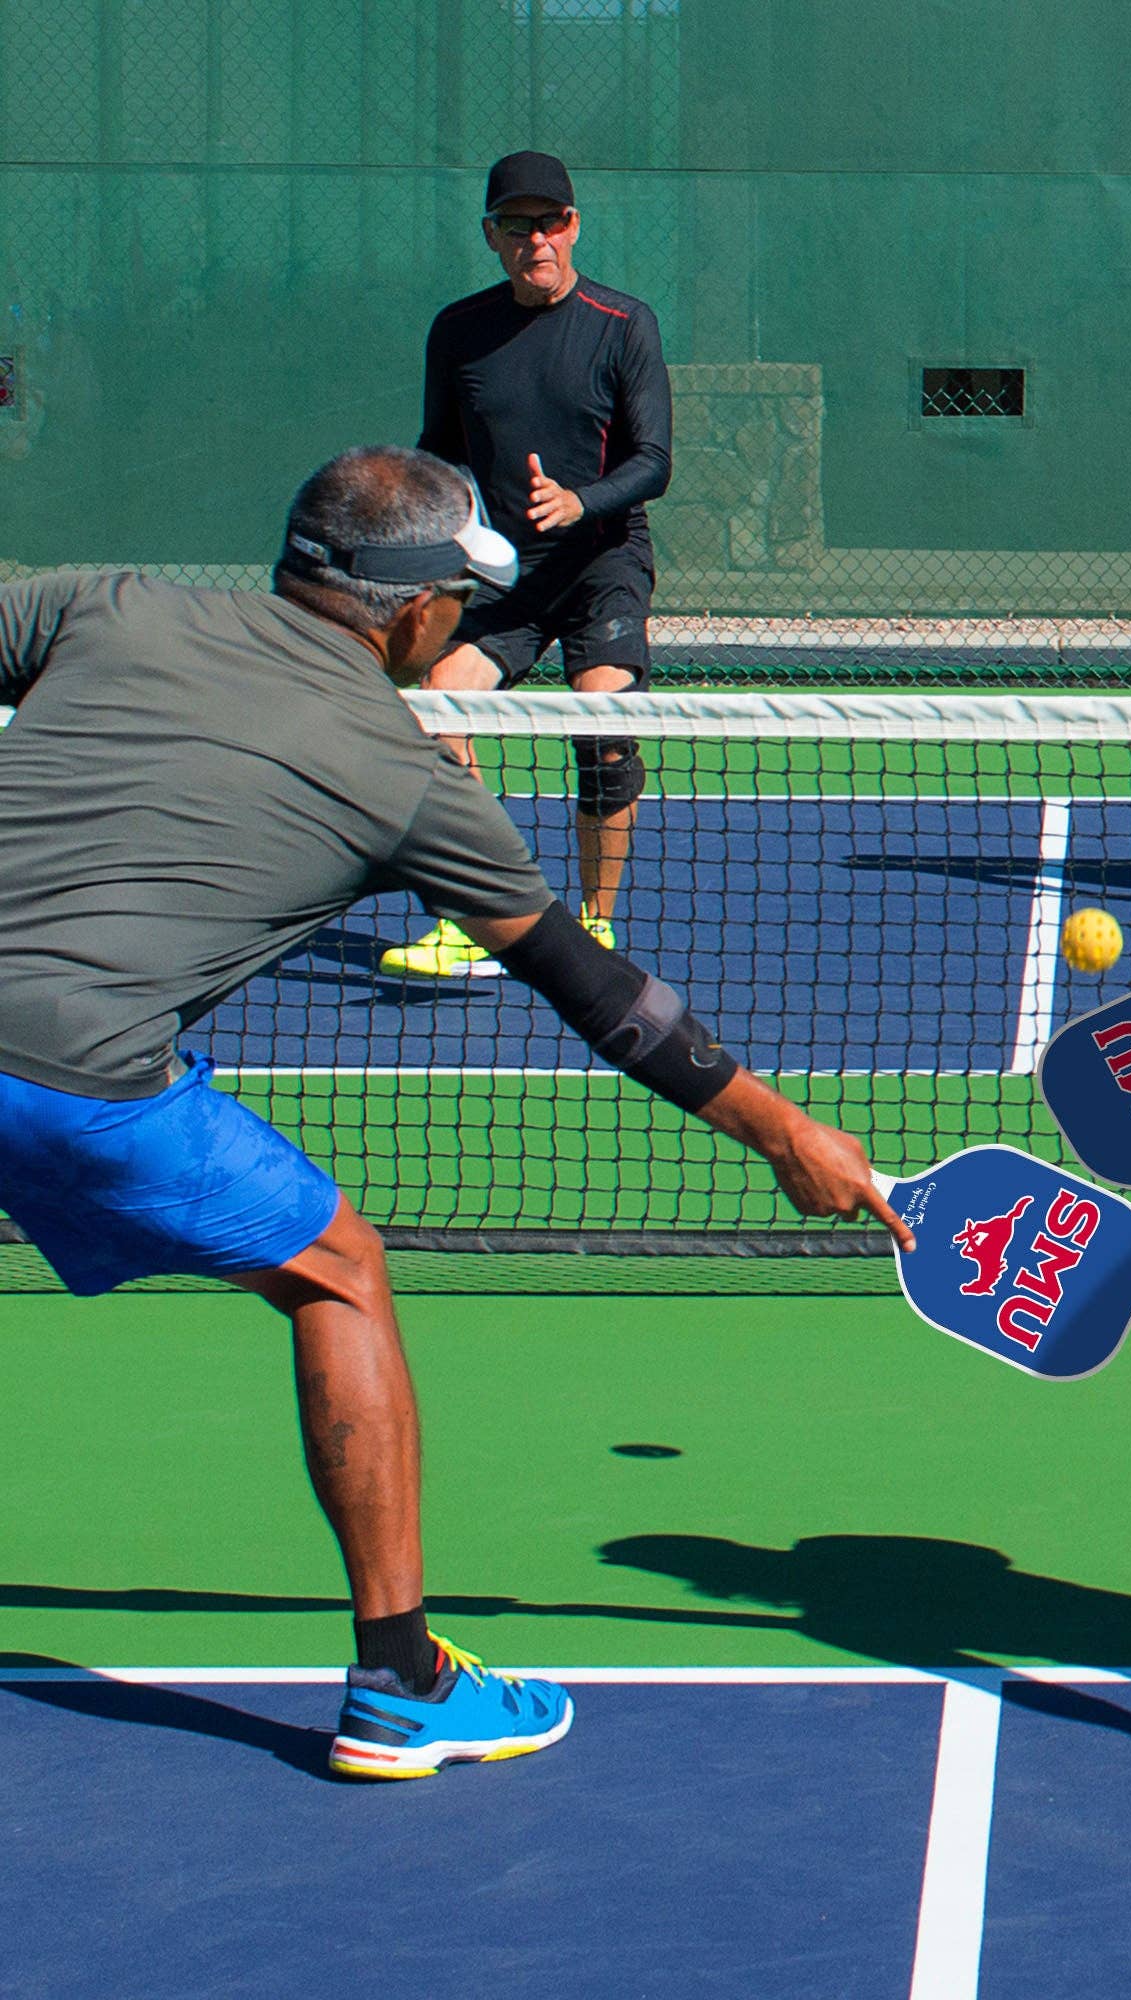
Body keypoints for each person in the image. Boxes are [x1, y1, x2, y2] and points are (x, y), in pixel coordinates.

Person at [0, 446, 914, 1779]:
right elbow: (595, 988)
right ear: (416, 612)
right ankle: (401, 1681)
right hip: (80, 1078)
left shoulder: (108, 604)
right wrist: (788, 1134)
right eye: (459, 605)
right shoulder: (408, 775)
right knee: (341, 1274)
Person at [381, 148, 672, 978]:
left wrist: (582, 502)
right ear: (492, 236)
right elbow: (438, 452)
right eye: (518, 226)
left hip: (601, 567)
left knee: (604, 730)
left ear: (573, 228)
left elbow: (654, 460)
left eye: (550, 223)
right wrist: (434, 535)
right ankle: (479, 919)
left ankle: (595, 923)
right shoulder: (459, 331)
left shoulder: (624, 325)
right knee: (439, 711)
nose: (536, 239)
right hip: (503, 578)